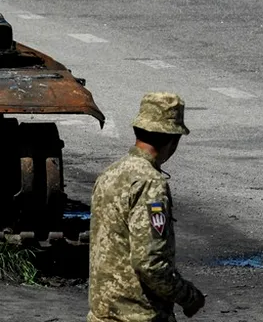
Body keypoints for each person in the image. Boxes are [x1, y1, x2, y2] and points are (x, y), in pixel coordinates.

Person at [88, 92, 206, 322]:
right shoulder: (150, 184)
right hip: (138, 315)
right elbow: (150, 263)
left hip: (102, 312)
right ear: (173, 140)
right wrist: (188, 296)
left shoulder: (110, 174)